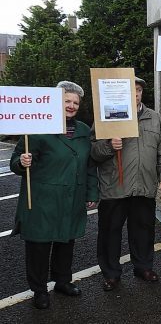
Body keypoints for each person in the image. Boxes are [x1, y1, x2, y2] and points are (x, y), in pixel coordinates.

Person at [10, 81, 98, 309]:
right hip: (42, 200)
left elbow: (89, 166)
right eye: (66, 101)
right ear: (56, 102)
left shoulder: (83, 130)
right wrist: (22, 161)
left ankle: (63, 281)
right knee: (39, 246)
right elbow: (15, 160)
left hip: (71, 198)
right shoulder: (37, 128)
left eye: (75, 103)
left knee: (65, 242)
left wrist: (92, 191)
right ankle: (39, 290)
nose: (71, 106)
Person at [91, 77, 161, 291]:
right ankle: (111, 273)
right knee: (110, 232)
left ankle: (143, 267)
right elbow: (93, 152)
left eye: (138, 90)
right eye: (130, 90)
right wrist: (109, 145)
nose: (135, 94)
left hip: (144, 186)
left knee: (144, 230)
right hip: (114, 187)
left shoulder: (155, 119)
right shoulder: (107, 118)